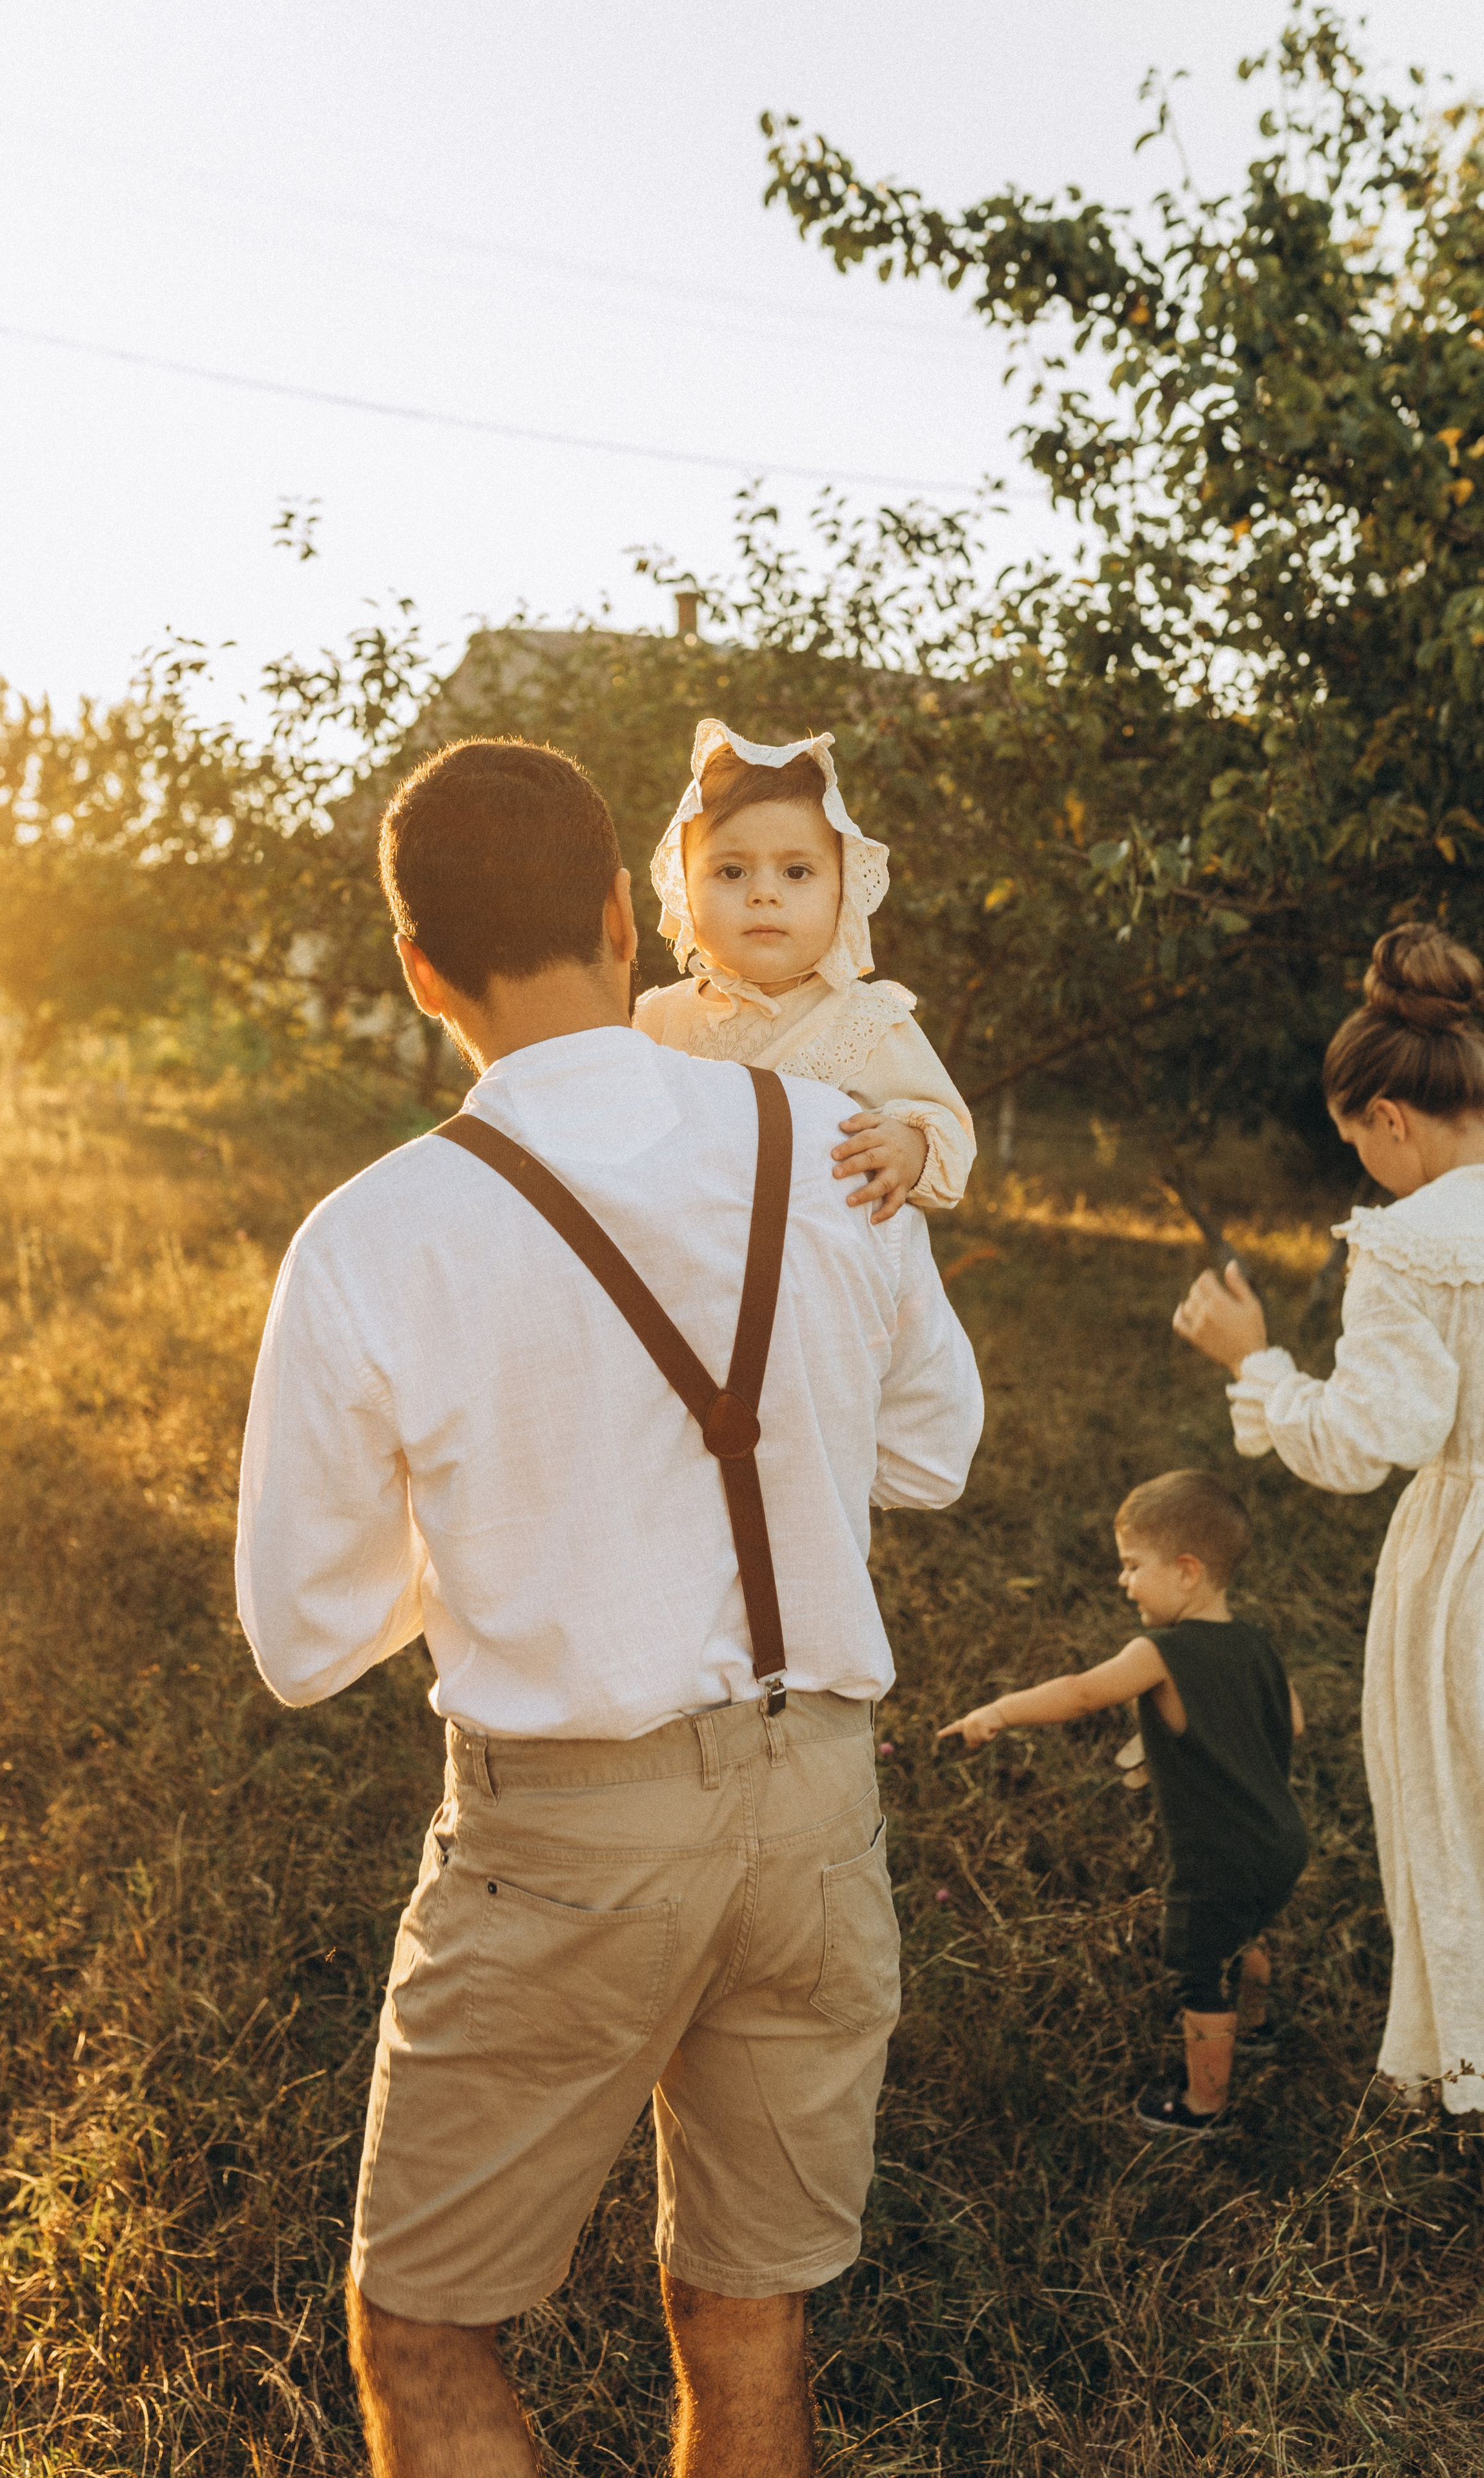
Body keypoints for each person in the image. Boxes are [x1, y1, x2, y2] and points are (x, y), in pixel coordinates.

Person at [234, 738, 985, 2478]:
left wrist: (520, 1518)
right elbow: (930, 1452)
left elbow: (303, 1636)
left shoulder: (375, 1235)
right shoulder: (839, 1141)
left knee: (421, 2327)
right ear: (620, 918)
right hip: (817, 1803)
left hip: (565, 1838)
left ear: (420, 973)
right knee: (747, 2309)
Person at [1176, 921, 1484, 2120]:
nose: (1370, 1173)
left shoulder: (1412, 1247)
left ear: (1391, 1119)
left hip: (1465, 1569)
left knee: (1457, 1818)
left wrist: (1256, 1362)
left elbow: (1361, 1446)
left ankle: (1470, 2074)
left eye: (1363, 1146)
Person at [938, 1469, 1307, 2137]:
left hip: (1217, 1855)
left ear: (1186, 1571)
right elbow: (1296, 1723)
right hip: (1280, 1838)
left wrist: (999, 1711)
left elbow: (1080, 1692)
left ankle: (1202, 2108)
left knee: (1197, 1964)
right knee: (1246, 1933)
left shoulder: (1159, 1650)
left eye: (1134, 1566)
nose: (1123, 1581)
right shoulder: (1256, 1645)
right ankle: (1256, 2029)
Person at [635, 719, 975, 1225]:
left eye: (797, 872)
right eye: (732, 872)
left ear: (842, 891)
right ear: (685, 889)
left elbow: (953, 1145)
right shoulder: (656, 1021)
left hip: (807, 1278)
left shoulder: (866, 1023)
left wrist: (910, 1147)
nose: (764, 894)